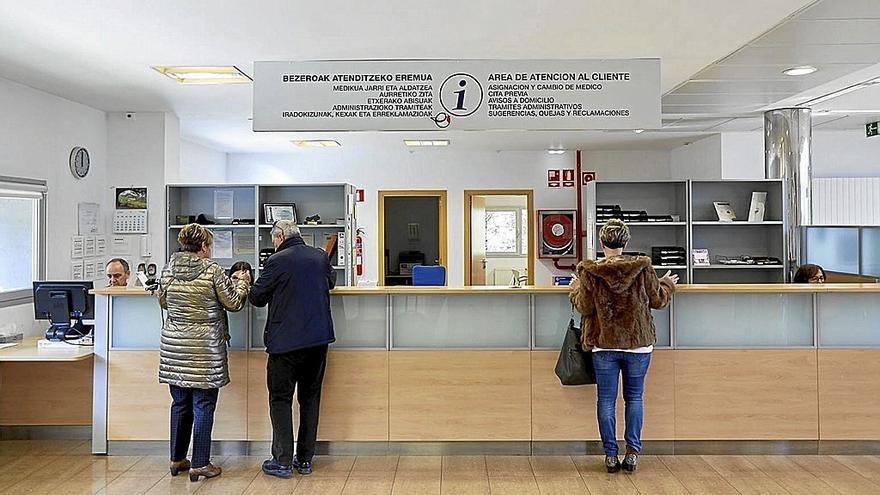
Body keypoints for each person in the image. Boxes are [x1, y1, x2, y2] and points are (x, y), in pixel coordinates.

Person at [569, 218, 677, 473]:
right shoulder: (642, 267)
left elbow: (583, 306)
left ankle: (610, 456)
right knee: (634, 398)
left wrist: (574, 290)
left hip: (604, 345)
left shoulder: (589, 272)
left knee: (606, 400)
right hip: (638, 344)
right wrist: (668, 283)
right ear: (626, 242)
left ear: (601, 242)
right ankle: (632, 455)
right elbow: (659, 300)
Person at [156, 224, 251, 482]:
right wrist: (242, 283)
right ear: (205, 247)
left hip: (174, 348)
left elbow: (163, 301)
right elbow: (233, 303)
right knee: (203, 405)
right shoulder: (212, 271)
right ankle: (200, 463)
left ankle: (177, 459)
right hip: (205, 350)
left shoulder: (167, 269)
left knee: (179, 403)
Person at [249, 219, 336, 479]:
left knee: (280, 399)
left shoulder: (277, 260)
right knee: (310, 399)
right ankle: (306, 459)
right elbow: (329, 283)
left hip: (285, 343)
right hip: (318, 341)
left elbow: (256, 297)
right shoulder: (320, 256)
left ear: (279, 237)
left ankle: (283, 460)